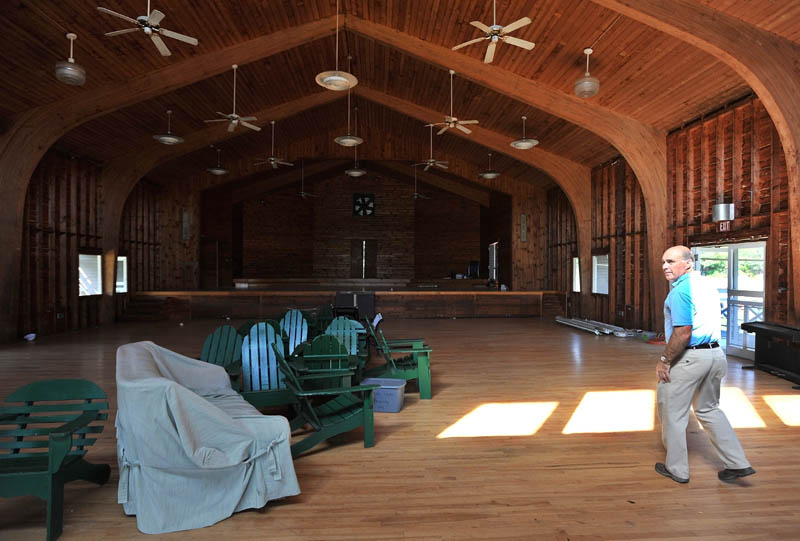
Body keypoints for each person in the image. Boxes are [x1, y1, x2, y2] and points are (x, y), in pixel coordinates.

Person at [655, 245, 755, 484]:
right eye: (663, 262)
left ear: (688, 263)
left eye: (671, 261)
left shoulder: (680, 291)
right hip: (715, 355)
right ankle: (738, 463)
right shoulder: (707, 284)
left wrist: (665, 360)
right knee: (709, 410)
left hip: (689, 358)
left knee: (672, 413)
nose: (665, 267)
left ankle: (677, 469)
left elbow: (683, 332)